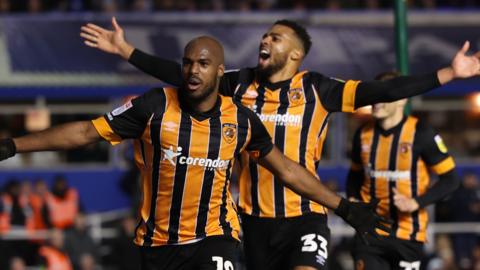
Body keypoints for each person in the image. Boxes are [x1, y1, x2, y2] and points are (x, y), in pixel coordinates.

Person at [80, 18, 480, 270]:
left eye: (275, 36)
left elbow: (384, 89)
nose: (264, 40)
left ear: (296, 53)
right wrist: (127, 51)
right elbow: (183, 74)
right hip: (248, 222)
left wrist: (447, 73)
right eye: (264, 34)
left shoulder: (319, 89)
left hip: (305, 217)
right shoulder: (237, 84)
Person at [0, 36, 385, 270]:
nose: (192, 70)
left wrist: (345, 208)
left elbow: (287, 170)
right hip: (157, 244)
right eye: (187, 63)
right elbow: (85, 132)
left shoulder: (242, 120)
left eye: (203, 63)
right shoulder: (153, 107)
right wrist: (14, 145)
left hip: (215, 236)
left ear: (221, 72)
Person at [345, 71, 461, 270]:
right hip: (369, 233)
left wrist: (415, 202)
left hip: (408, 235)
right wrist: (353, 199)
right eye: (375, 94)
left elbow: (450, 180)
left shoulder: (421, 132)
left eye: (384, 95)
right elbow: (355, 175)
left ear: (401, 100)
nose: (376, 101)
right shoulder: (362, 134)